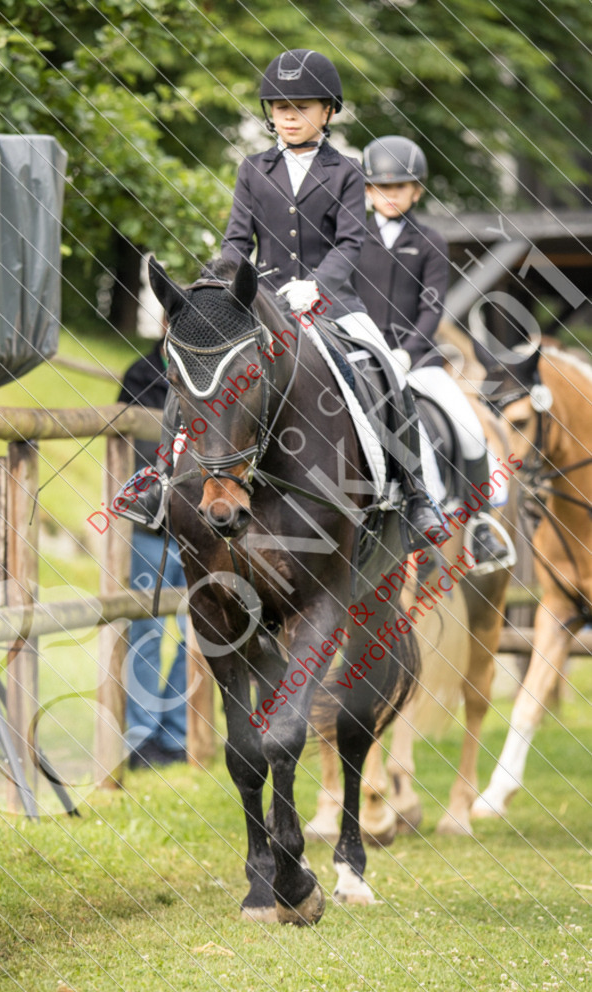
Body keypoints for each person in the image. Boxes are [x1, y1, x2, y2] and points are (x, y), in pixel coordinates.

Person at [124, 49, 442, 552]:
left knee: (388, 368)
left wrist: (318, 283)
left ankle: (417, 492)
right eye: (280, 107)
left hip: (330, 302)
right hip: (263, 302)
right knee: (195, 364)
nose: (289, 117)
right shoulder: (253, 168)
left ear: (328, 112)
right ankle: (158, 480)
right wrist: (215, 282)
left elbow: (352, 242)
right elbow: (236, 241)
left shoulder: (347, 171)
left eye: (302, 107)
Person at [353, 134, 509, 564]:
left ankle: (478, 525)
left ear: (416, 190)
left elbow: (432, 308)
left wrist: (405, 352)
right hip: (360, 359)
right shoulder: (351, 239)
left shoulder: (430, 242)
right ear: (367, 191)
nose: (389, 195)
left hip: (416, 360)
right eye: (380, 187)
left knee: (471, 429)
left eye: (398, 186)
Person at [118, 342, 188, 768]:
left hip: (202, 529)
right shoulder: (141, 374)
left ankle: (175, 734)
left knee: (196, 634)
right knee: (145, 631)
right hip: (151, 525)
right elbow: (141, 453)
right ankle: (140, 738)